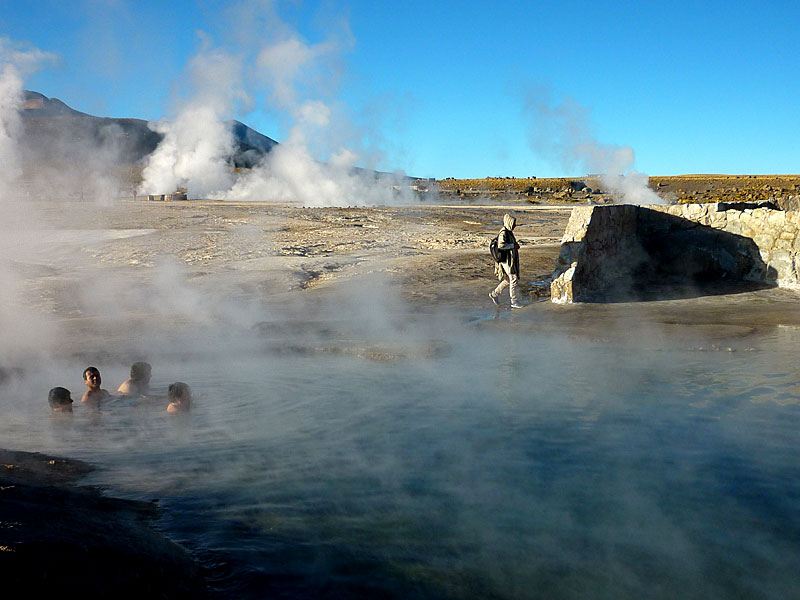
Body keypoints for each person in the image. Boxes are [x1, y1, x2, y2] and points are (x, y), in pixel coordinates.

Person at [489, 213, 523, 308]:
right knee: (513, 278)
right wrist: (513, 246)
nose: (515, 225)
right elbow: (501, 245)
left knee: (508, 279)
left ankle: (495, 294)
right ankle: (514, 301)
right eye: (513, 223)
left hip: (509, 260)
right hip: (506, 260)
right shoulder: (503, 232)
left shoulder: (508, 231)